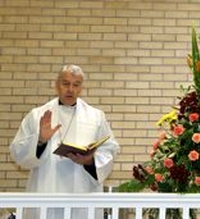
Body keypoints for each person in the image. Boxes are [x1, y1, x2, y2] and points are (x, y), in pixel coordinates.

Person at [10, 64, 120, 219]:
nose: (70, 89)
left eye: (76, 85)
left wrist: (90, 161)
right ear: (57, 85)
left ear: (81, 88)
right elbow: (17, 152)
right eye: (66, 83)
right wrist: (40, 140)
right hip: (46, 190)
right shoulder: (37, 115)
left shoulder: (96, 117)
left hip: (83, 194)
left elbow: (110, 149)